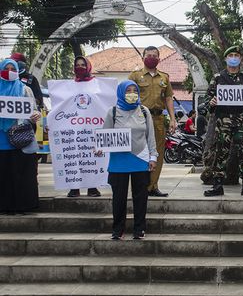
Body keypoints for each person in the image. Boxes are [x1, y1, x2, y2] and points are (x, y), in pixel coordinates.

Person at [101, 80, 157, 240]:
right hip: (119, 161)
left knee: (141, 198)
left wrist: (153, 157)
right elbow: (105, 136)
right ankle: (118, 229)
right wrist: (99, 148)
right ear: (121, 93)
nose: (131, 94)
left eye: (134, 90)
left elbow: (150, 137)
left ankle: (139, 229)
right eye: (128, 91)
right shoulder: (112, 112)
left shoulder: (144, 111)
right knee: (119, 198)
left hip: (140, 159)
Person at [203, 45, 243, 197]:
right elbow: (208, 98)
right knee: (221, 152)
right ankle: (217, 185)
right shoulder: (218, 78)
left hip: (242, 122)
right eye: (231, 55)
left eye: (236, 55)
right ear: (226, 59)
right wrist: (211, 102)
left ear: (240, 59)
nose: (234, 58)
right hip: (223, 122)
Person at [129, 46, 176, 197]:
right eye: (148, 55)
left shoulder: (164, 77)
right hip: (139, 119)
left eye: (154, 55)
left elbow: (168, 98)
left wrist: (173, 119)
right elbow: (127, 96)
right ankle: (141, 185)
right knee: (139, 151)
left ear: (159, 59)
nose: (151, 57)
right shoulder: (135, 76)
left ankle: (152, 186)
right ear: (143, 58)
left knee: (157, 153)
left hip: (158, 119)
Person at [0, 59, 40, 215]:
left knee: (20, 174)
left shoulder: (25, 90)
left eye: (12, 68)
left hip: (19, 139)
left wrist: (35, 115)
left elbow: (33, 110)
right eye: (6, 68)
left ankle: (22, 206)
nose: (9, 71)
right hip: (1, 140)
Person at [66, 56, 102, 198]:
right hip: (74, 128)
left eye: (83, 65)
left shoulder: (97, 84)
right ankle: (74, 187)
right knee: (75, 156)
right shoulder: (68, 86)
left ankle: (92, 187)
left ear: (88, 66)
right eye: (77, 65)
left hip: (93, 127)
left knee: (92, 156)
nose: (80, 67)